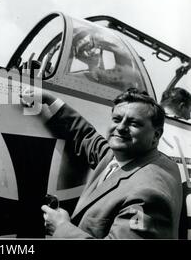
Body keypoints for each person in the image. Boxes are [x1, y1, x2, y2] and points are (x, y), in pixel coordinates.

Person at [21, 87, 183, 238]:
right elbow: (86, 137)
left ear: (156, 135)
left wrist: (62, 228)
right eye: (117, 119)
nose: (121, 128)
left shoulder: (148, 195)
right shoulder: (130, 159)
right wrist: (50, 100)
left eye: (134, 123)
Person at [70, 27, 140, 91]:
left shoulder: (99, 86)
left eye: (117, 78)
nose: (114, 73)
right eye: (117, 69)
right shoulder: (86, 75)